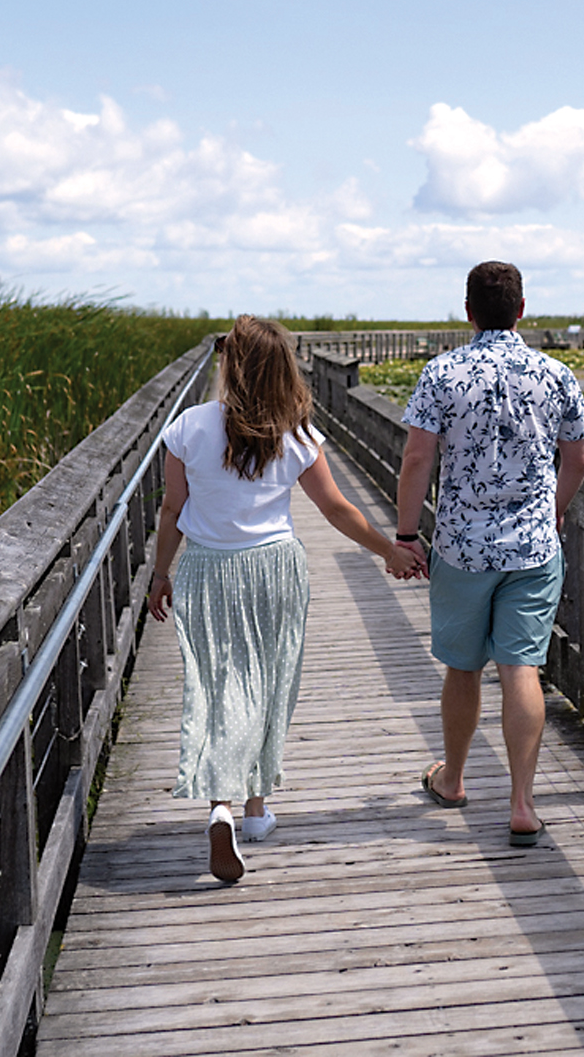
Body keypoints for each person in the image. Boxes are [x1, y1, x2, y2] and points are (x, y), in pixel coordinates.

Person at [147, 315, 422, 883]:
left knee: (218, 683)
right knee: (268, 682)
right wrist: (388, 550)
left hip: (207, 568)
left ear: (231, 365)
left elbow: (171, 509)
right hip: (274, 569)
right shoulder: (296, 433)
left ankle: (233, 808)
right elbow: (336, 508)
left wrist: (159, 574)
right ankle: (246, 810)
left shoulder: (189, 427)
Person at [395, 261, 584, 848]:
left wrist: (406, 535)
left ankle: (453, 780)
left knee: (463, 667)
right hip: (532, 547)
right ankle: (522, 804)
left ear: (468, 312)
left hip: (461, 546)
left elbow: (417, 459)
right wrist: (553, 510)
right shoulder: (555, 373)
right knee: (521, 668)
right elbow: (578, 459)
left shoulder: (442, 372)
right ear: (522, 309)